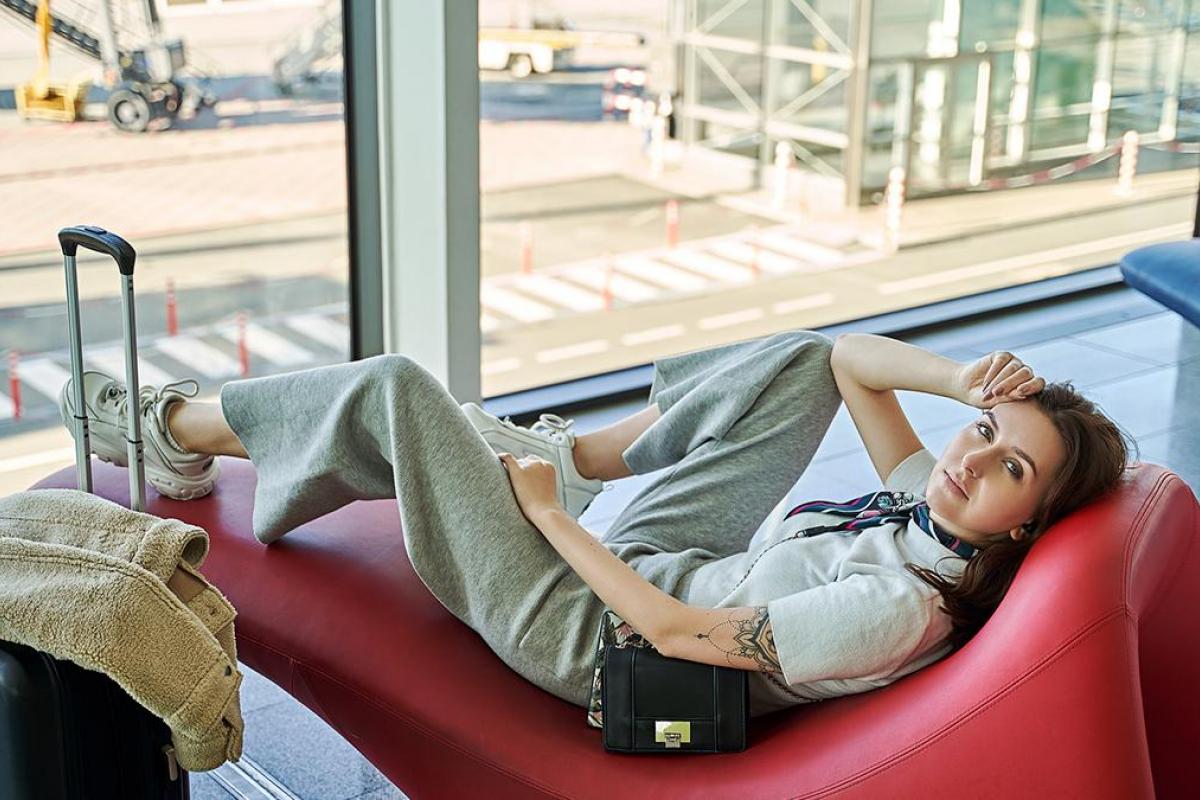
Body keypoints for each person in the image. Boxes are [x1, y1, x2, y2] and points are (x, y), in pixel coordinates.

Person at [58, 329, 1136, 719]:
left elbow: (676, 636)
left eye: (1008, 468)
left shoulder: (900, 606)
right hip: (682, 562)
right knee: (800, 363)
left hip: (595, 637)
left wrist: (547, 523)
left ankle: (172, 431)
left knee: (399, 391)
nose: (969, 455)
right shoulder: (923, 514)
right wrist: (961, 378)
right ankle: (579, 458)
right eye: (981, 430)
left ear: (1027, 524)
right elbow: (848, 362)